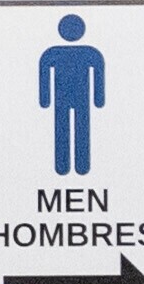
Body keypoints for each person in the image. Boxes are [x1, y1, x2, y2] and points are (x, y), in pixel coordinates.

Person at [41, 13, 105, 177]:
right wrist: (45, 99)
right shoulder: (53, 53)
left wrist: (99, 99)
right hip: (64, 99)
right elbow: (44, 76)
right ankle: (63, 167)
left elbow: (99, 76)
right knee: (64, 129)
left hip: (77, 99)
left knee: (80, 128)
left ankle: (81, 166)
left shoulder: (89, 53)